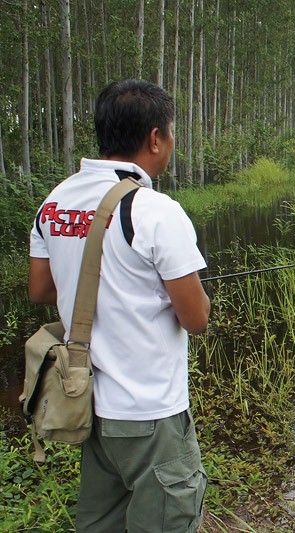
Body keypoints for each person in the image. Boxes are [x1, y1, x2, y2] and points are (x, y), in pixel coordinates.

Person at [28, 79, 210, 532]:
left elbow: (41, 289)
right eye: (170, 134)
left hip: (91, 406)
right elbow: (197, 318)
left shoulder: (56, 200)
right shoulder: (154, 210)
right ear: (155, 138)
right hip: (149, 413)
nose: (170, 144)